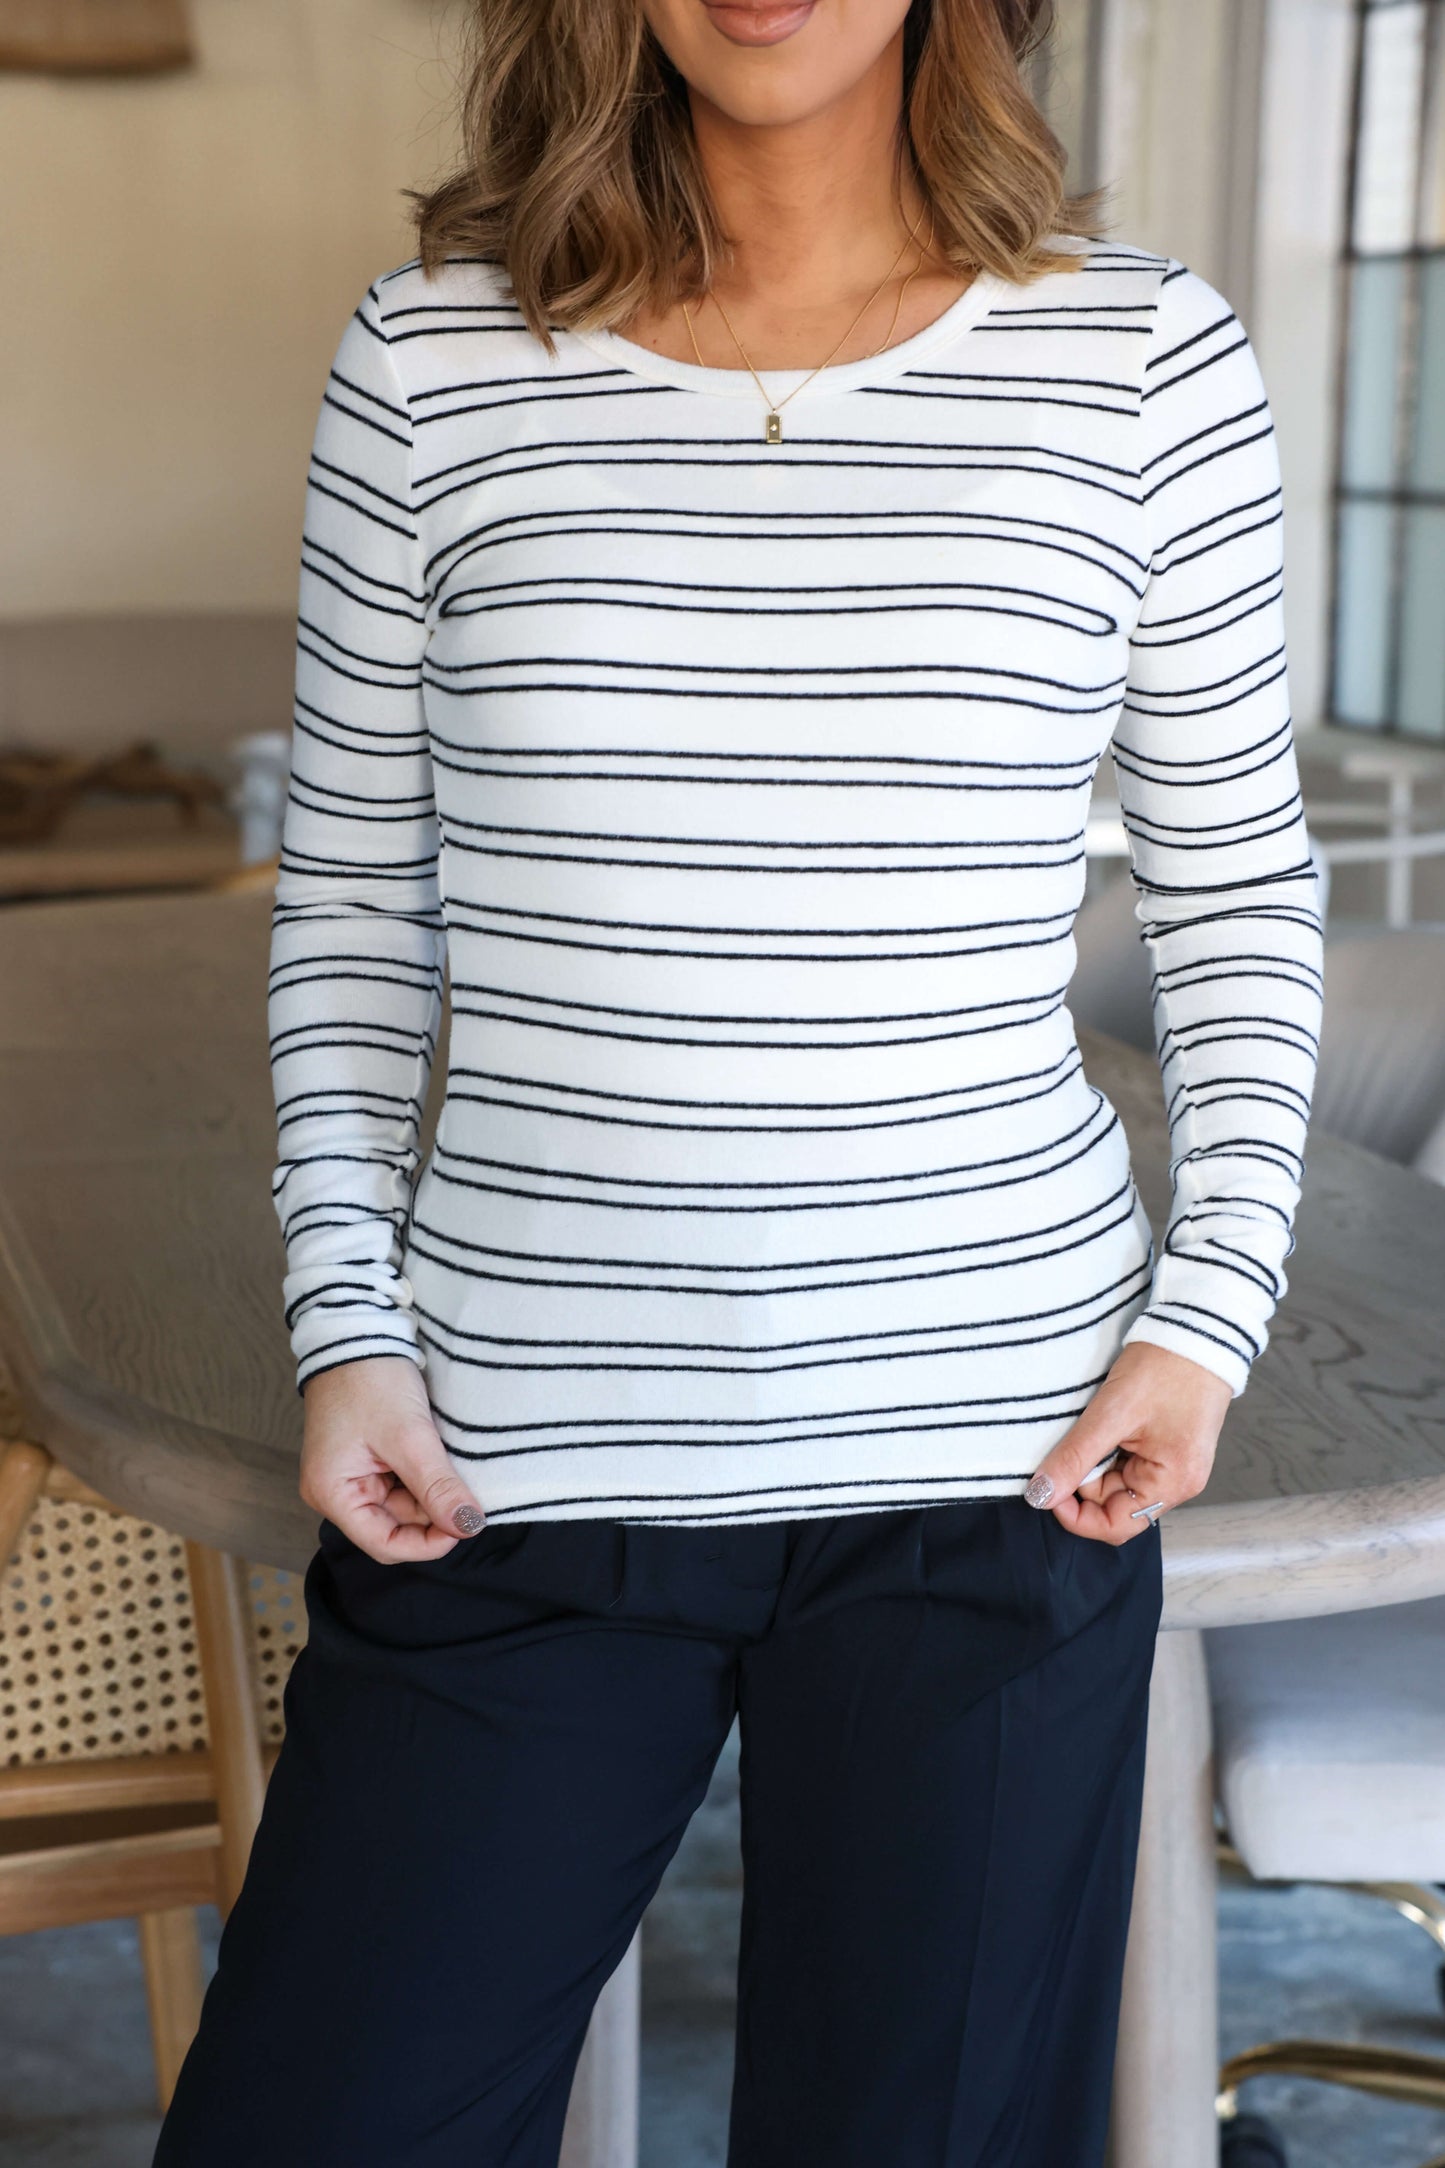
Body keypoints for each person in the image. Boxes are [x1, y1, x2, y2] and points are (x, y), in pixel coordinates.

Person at [154, 1, 1324, 2161]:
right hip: (512, 1461)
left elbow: (1240, 897)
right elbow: (345, 925)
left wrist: (1205, 1314)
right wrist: (351, 1321)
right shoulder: (429, 367)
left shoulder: (1144, 365)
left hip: (1001, 1469)